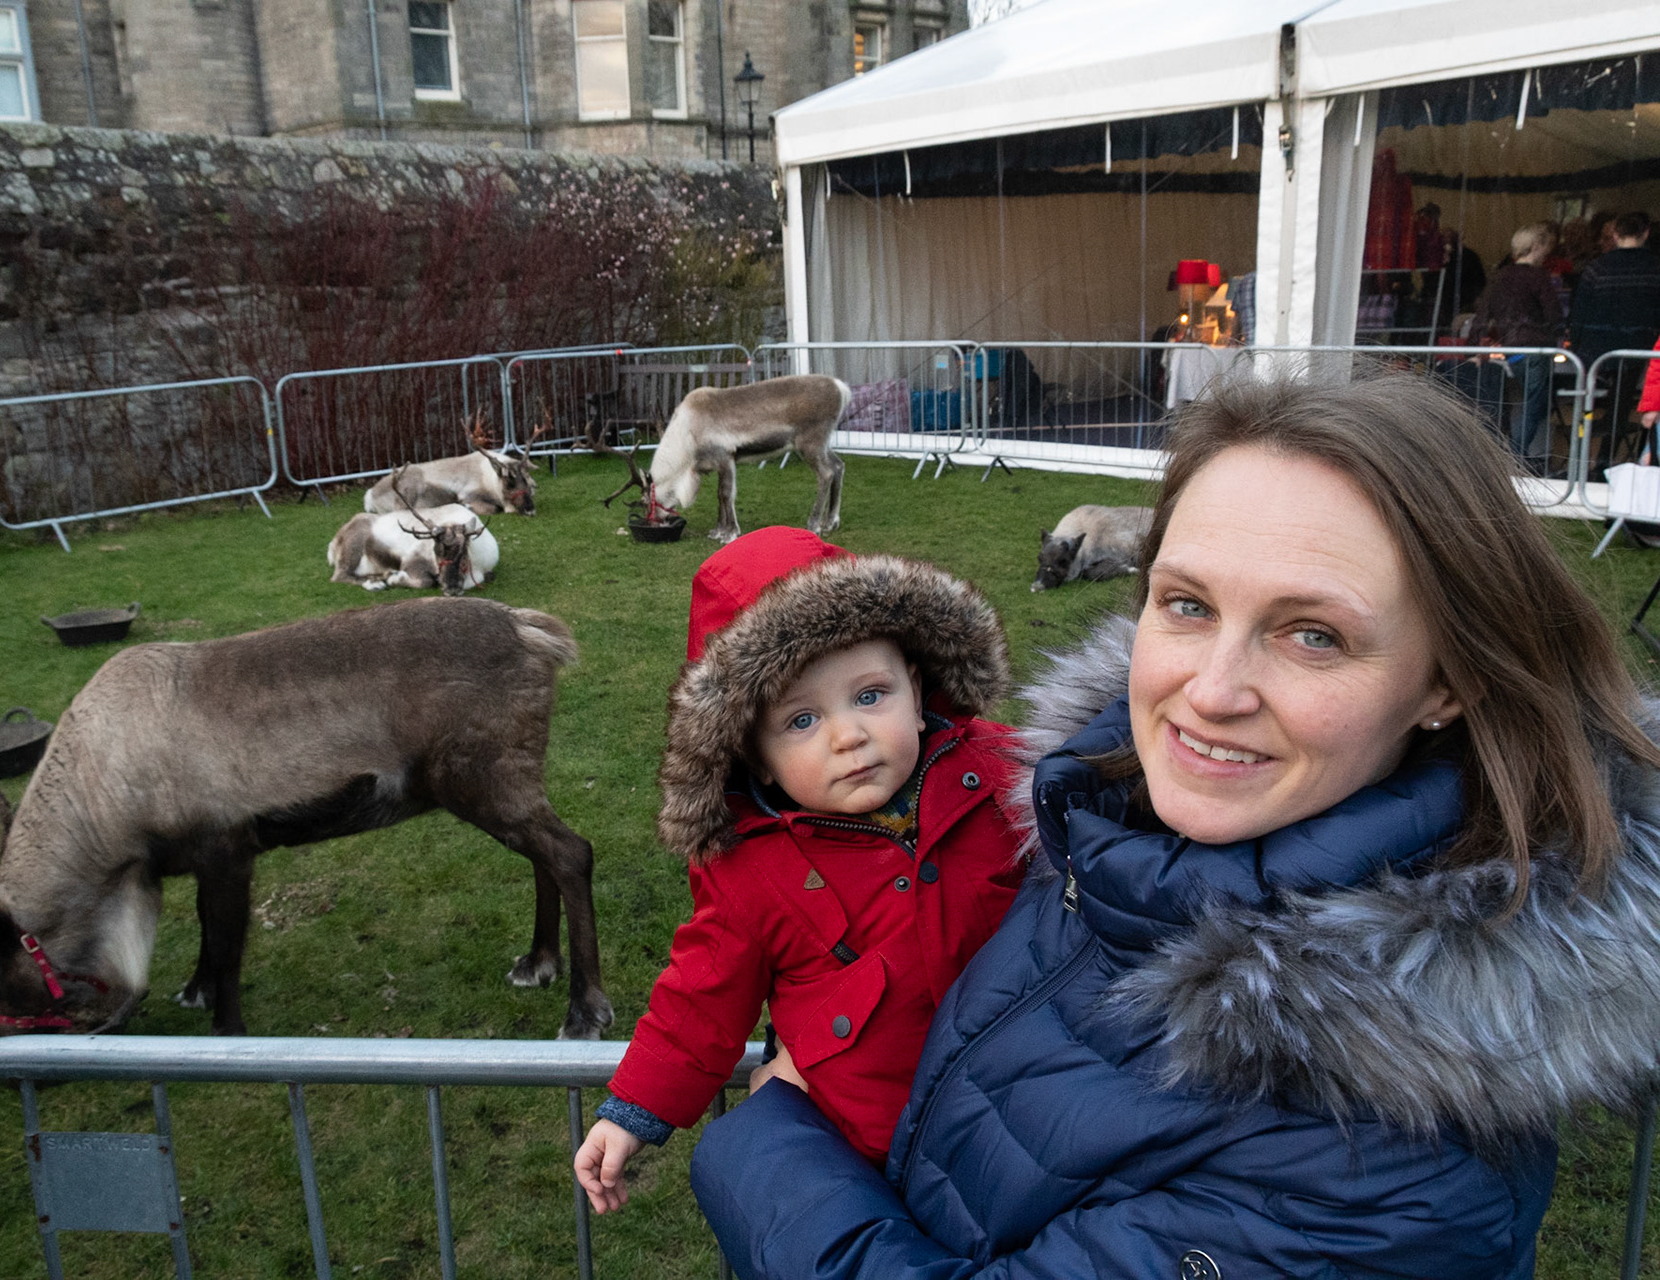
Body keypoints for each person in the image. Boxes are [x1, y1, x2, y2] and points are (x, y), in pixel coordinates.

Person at [692, 375, 1660, 1278]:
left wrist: (763, 1141)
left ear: (1447, 681)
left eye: (1313, 634)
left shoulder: (1400, 1165)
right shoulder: (1095, 829)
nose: (1210, 691)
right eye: (1189, 604)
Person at [573, 527, 1028, 1211]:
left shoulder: (1002, 774)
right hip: (875, 1154)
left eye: (870, 695)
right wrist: (633, 1110)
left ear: (916, 687)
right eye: (802, 721)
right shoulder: (749, 871)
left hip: (1025, 1113)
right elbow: (701, 996)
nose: (849, 735)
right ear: (754, 757)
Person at [1569, 211, 1660, 470]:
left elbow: (1579, 312)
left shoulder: (1596, 268)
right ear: (1645, 234)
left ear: (1615, 235)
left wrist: (1576, 346)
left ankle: (1579, 463)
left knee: (1584, 407)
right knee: (1621, 407)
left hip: (1595, 348)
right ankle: (1607, 461)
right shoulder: (1655, 268)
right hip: (1638, 348)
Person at [1472, 223, 1566, 462]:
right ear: (1537, 246)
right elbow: (1554, 313)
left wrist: (1471, 348)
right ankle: (1516, 456)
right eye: (1546, 247)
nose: (1547, 252)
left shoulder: (1500, 276)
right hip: (1536, 347)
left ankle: (1511, 453)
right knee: (1533, 404)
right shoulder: (1538, 277)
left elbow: (1482, 314)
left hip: (1510, 348)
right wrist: (1560, 335)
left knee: (1522, 402)